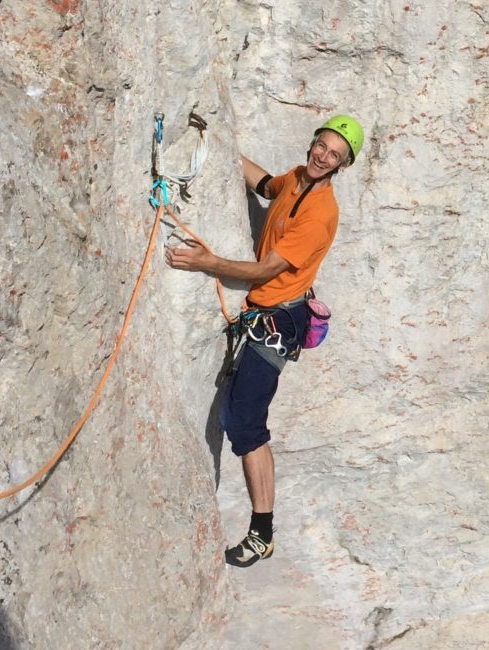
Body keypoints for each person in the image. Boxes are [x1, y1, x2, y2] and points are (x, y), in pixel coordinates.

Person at [166, 115, 364, 567]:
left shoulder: (320, 214)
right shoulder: (296, 180)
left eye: (334, 154)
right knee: (237, 415)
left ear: (342, 165)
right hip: (266, 312)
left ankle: (262, 533)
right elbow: (263, 183)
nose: (323, 156)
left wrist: (207, 263)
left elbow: (264, 271)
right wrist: (213, 144)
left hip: (278, 319)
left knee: (244, 421)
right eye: (322, 146)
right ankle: (262, 529)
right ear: (313, 143)